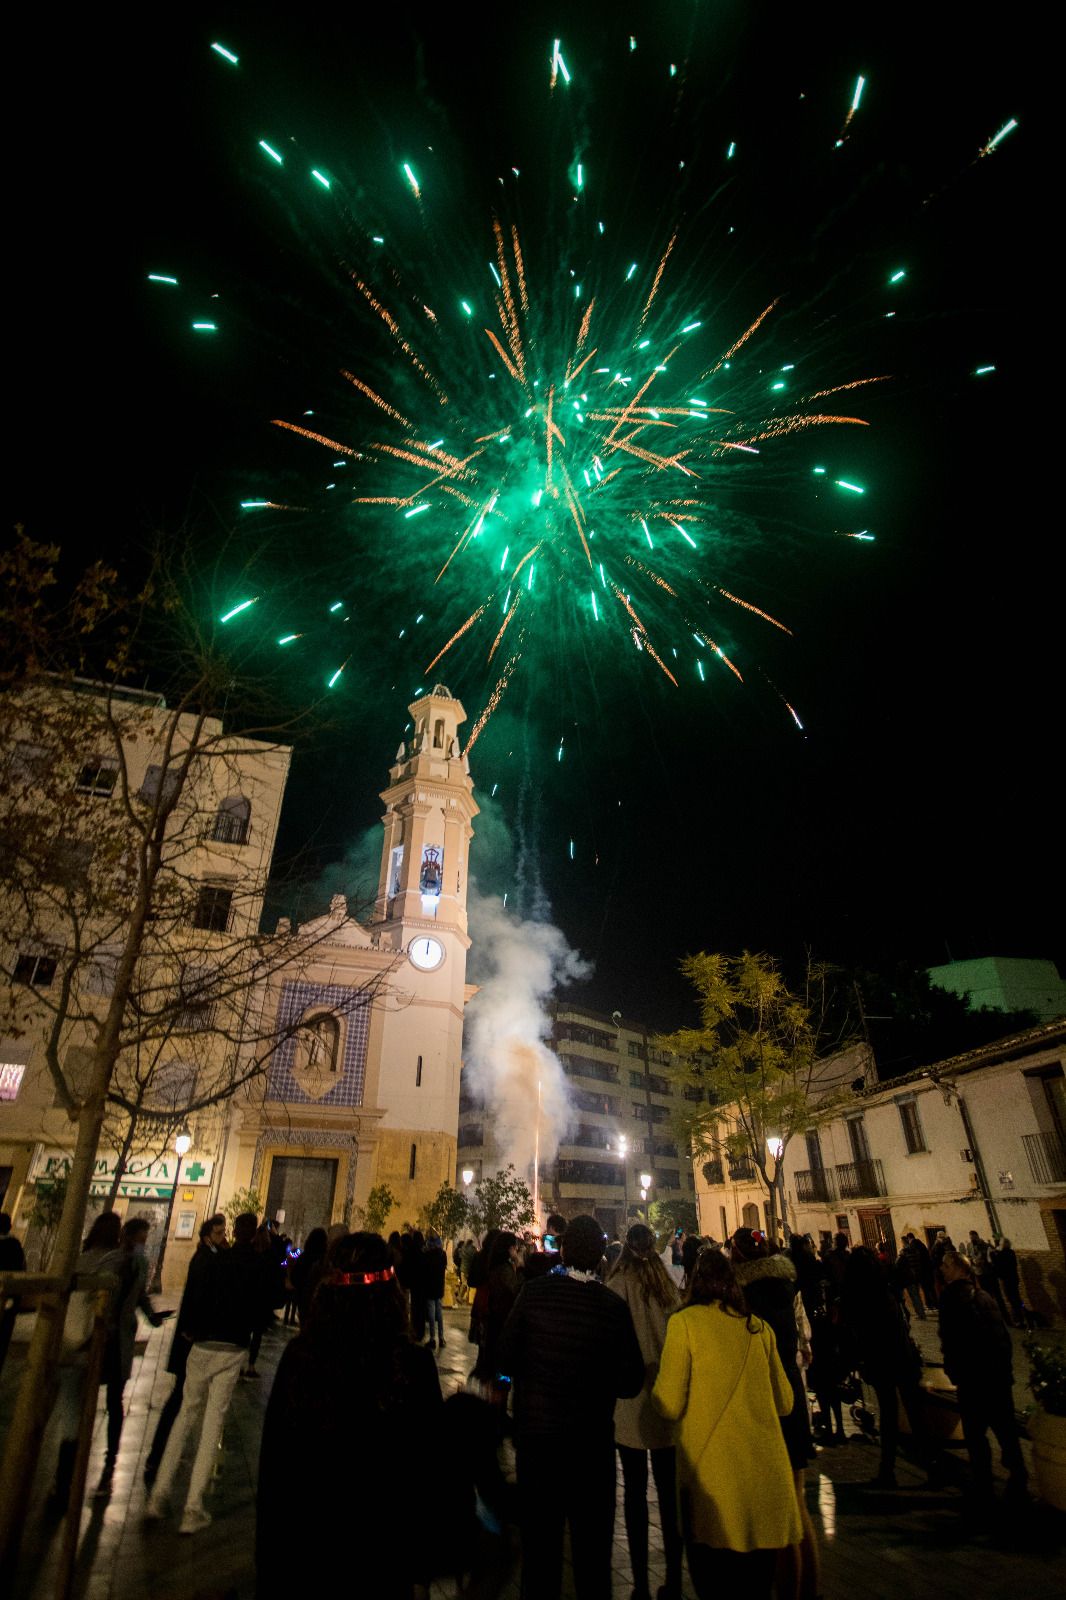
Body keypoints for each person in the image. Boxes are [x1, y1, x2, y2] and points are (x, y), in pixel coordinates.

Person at [257, 1232, 443, 1598]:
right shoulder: (414, 1365)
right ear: (394, 1291)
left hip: (308, 1558)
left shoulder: (300, 1358)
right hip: (385, 1563)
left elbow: (275, 1473)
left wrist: (268, 1571)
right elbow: (430, 1474)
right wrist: (420, 1570)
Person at [497, 1214, 644, 1600]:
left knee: (541, 1558)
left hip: (538, 1449)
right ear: (600, 1258)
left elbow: (505, 1358)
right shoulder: (612, 1307)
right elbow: (631, 1382)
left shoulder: (534, 1293)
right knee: (593, 1562)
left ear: (561, 1249)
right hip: (591, 1454)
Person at [652, 1248, 801, 1598]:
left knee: (715, 1586)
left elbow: (668, 1403)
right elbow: (786, 1402)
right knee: (758, 1589)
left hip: (714, 1485)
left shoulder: (684, 1324)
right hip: (766, 1482)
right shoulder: (758, 1328)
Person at [146, 1212, 263, 1533]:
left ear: (232, 1233)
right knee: (213, 1424)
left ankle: (158, 1495)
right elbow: (262, 1305)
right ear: (253, 1235)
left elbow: (199, 1297)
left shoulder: (217, 1260)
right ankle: (192, 1509)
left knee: (185, 1416)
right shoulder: (254, 1262)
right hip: (233, 1347)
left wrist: (192, 1331)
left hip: (203, 1344)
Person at [731, 1229, 818, 1599]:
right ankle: (810, 1589)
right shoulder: (788, 1289)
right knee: (797, 1506)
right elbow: (804, 1342)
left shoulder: (743, 1298)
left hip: (765, 1405)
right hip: (793, 1400)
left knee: (775, 1517)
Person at [606, 1224, 683, 1600]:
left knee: (635, 1495)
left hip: (630, 1404)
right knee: (670, 1498)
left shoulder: (616, 1286)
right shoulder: (669, 1288)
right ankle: (674, 1579)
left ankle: (639, 1583)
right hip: (665, 1401)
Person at [938, 1249, 1027, 1504]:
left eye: (946, 1265)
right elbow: (1004, 1339)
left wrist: (954, 1370)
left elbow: (951, 1340)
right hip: (997, 1378)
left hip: (972, 1379)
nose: (942, 1269)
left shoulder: (951, 1299)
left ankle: (984, 1486)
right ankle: (1018, 1479)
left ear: (960, 1269)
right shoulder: (986, 1297)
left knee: (976, 1436)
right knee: (1006, 1431)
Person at [839, 1246, 932, 1488]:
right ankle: (932, 1467)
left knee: (888, 1415)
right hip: (902, 1359)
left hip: (880, 1361)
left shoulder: (856, 1296)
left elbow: (853, 1331)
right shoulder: (886, 1289)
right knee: (915, 1413)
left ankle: (887, 1470)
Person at [144, 1215, 227, 1485]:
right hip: (191, 1340)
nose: (222, 1237)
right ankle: (160, 1457)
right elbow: (201, 1299)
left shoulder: (206, 1258)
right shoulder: (205, 1261)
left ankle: (163, 1454)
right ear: (206, 1236)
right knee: (181, 1400)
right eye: (218, 1233)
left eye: (223, 1232)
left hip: (191, 1339)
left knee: (182, 1399)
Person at [97, 1217, 167, 1491]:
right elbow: (138, 1296)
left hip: (105, 1336)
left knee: (103, 1400)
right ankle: (108, 1465)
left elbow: (138, 1296)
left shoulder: (113, 1259)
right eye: (143, 1237)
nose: (145, 1242)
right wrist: (152, 1317)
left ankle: (76, 1467)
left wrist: (151, 1316)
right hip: (116, 1337)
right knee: (115, 1402)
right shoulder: (133, 1262)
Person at [472, 1231, 520, 1396]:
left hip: (491, 1321)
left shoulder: (493, 1265)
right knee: (501, 1371)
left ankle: (491, 1397)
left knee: (492, 1365)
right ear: (509, 1248)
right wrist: (520, 1266)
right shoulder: (504, 1270)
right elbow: (517, 1291)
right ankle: (497, 1405)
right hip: (501, 1324)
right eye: (515, 1246)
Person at [290, 1227, 328, 1325]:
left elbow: (294, 1277)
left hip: (303, 1297)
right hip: (317, 1299)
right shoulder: (323, 1262)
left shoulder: (303, 1258)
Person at [991, 1237, 1026, 1326]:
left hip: (1006, 1280)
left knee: (1011, 1300)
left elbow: (997, 1267)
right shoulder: (1011, 1252)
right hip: (1014, 1279)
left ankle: (1018, 1319)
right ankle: (1023, 1315)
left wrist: (993, 1254)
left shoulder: (1000, 1255)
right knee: (1017, 1298)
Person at [422, 1232, 447, 1349]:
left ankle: (432, 1338)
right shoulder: (443, 1255)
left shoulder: (426, 1255)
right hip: (439, 1287)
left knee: (431, 1314)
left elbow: (424, 1271)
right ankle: (441, 1337)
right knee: (439, 1313)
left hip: (429, 1287)